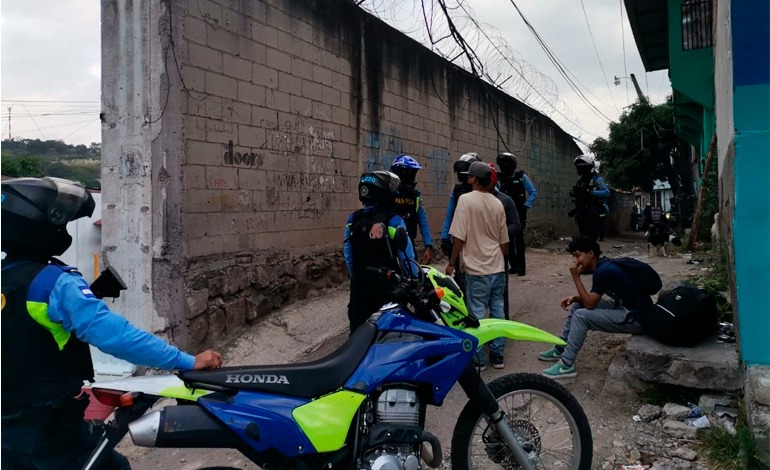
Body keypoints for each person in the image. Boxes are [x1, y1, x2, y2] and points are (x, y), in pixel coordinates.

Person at [1, 177, 224, 470]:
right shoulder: (55, 283)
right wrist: (187, 361)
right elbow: (119, 337)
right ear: (39, 224)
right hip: (51, 429)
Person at [538, 236, 651, 379]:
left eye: (578, 255)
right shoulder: (603, 265)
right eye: (573, 256)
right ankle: (561, 347)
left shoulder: (603, 271)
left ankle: (566, 365)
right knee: (579, 304)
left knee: (581, 316)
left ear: (590, 254)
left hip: (636, 317)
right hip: (625, 308)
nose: (575, 261)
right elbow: (590, 300)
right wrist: (576, 298)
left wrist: (576, 278)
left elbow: (590, 305)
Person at [446, 161, 509, 370]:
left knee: (477, 313)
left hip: (476, 268)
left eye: (469, 176)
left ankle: (479, 359)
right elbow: (504, 242)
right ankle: (498, 355)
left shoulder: (465, 200)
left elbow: (459, 237)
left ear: (473, 179)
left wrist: (451, 262)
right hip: (497, 266)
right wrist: (501, 261)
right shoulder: (497, 203)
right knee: (498, 310)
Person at [344, 171, 418, 333]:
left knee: (357, 334)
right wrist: (414, 280)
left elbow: (348, 255)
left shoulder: (353, 219)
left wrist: (356, 277)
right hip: (387, 288)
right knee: (389, 335)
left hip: (360, 287)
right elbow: (406, 255)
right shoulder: (393, 220)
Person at [440, 153, 481, 291]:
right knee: (460, 272)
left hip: (479, 237)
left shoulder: (486, 189)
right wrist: (445, 236)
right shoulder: (458, 190)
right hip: (461, 236)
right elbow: (449, 213)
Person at [486, 163, 521, 319]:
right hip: (476, 254)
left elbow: (516, 224)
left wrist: (500, 235)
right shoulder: (471, 200)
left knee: (499, 292)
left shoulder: (505, 200)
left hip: (499, 252)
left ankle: (502, 325)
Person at [496, 152, 537, 275]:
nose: (504, 166)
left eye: (506, 163)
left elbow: (533, 192)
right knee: (506, 240)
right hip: (504, 214)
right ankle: (513, 265)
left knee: (519, 241)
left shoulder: (521, 177)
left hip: (519, 213)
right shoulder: (499, 178)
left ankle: (521, 268)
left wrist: (526, 205)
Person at [389, 155, 434, 264]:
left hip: (409, 245)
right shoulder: (388, 195)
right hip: (390, 246)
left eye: (411, 175)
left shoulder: (416, 197)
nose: (409, 179)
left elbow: (423, 222)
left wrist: (428, 246)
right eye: (406, 174)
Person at [569, 155, 610, 241]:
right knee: (583, 237)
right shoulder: (581, 181)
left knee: (590, 238)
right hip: (581, 213)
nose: (579, 170)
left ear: (588, 168)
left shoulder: (596, 179)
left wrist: (591, 192)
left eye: (581, 167)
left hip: (593, 214)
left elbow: (606, 192)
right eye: (578, 167)